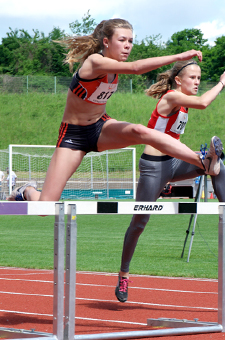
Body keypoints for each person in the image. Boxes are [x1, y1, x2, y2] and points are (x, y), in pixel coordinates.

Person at [7, 19, 220, 203]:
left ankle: (203, 161)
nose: (128, 46)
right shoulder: (94, 62)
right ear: (106, 42)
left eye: (131, 41)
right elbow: (136, 68)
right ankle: (26, 191)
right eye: (122, 40)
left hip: (101, 127)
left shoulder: (115, 66)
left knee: (141, 131)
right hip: (73, 136)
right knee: (46, 206)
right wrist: (180, 56)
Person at [115, 58, 225, 303]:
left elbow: (174, 140)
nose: (197, 82)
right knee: (139, 223)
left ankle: (212, 169)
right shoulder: (172, 97)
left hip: (175, 162)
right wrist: (221, 83)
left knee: (219, 168)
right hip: (154, 167)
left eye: (199, 78)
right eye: (193, 78)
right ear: (178, 80)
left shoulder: (183, 106)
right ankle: (123, 274)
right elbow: (204, 103)